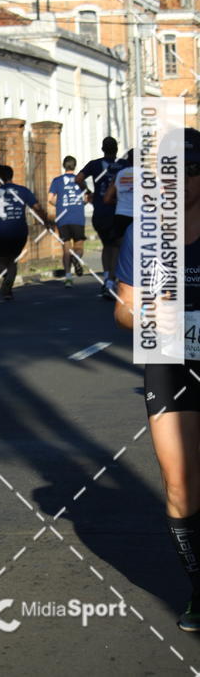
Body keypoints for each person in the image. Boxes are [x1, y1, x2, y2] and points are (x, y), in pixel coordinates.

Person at [114, 128, 200, 631]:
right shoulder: (143, 233)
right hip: (169, 360)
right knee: (179, 485)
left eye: (190, 169)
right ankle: (198, 588)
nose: (180, 181)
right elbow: (123, 313)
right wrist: (149, 314)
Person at [0, 162, 47, 301]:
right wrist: (47, 222)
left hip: (2, 232)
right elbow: (38, 208)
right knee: (12, 259)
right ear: (12, 176)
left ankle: (7, 279)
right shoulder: (23, 191)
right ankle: (8, 288)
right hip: (20, 232)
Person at [76, 136, 123, 299]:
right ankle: (112, 281)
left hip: (100, 212)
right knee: (116, 246)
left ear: (102, 149)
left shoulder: (94, 164)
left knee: (106, 246)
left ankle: (107, 280)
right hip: (117, 211)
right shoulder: (123, 165)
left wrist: (88, 193)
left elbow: (78, 179)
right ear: (116, 149)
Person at [48, 156, 88, 287]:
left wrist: (59, 205)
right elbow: (86, 198)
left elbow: (50, 199)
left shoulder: (57, 181)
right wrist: (79, 203)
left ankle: (68, 277)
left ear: (63, 166)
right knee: (79, 246)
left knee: (66, 247)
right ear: (75, 166)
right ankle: (76, 259)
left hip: (63, 217)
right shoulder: (80, 180)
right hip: (77, 216)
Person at [103, 148, 134, 240]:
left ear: (128, 159)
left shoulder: (120, 174)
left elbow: (107, 199)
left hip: (122, 215)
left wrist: (119, 201)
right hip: (141, 216)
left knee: (121, 247)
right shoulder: (148, 176)